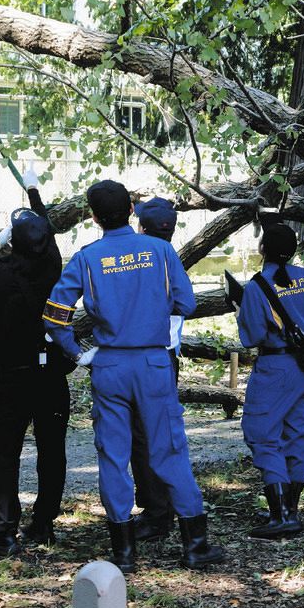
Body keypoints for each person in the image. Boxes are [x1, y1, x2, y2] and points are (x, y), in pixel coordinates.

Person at [43, 180, 225, 572]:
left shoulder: (87, 257)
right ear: (131, 211)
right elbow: (187, 303)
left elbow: (55, 316)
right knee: (169, 449)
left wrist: (77, 353)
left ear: (93, 217)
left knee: (113, 454)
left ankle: (124, 552)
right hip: (154, 364)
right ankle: (195, 545)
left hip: (108, 365)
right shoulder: (160, 251)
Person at [0, 176, 72, 556]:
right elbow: (47, 231)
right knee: (52, 450)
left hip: (11, 377)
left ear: (12, 242)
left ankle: (5, 528)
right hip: (52, 374)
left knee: (5, 454)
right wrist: (35, 193)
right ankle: (44, 523)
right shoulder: (55, 268)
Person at [235, 223, 304, 539]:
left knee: (261, 433)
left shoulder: (258, 287)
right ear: (294, 249)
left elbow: (253, 336)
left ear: (262, 249)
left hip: (275, 366)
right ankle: (290, 508)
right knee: (296, 432)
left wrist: (240, 310)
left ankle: (281, 515)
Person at [128, 197, 181, 542]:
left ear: (141, 228)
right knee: (157, 434)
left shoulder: (144, 263)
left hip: (147, 358)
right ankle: (159, 504)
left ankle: (158, 512)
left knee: (145, 438)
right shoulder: (170, 258)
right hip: (167, 357)